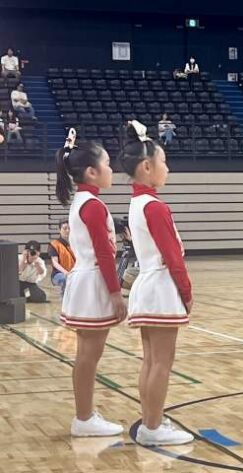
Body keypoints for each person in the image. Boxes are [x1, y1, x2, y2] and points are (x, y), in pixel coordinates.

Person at [119, 120, 194, 446]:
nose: (168, 168)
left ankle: (151, 421)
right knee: (162, 362)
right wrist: (186, 292)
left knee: (150, 360)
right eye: (164, 161)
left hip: (146, 285)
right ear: (147, 167)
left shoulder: (137, 203)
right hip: (160, 287)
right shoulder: (155, 207)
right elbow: (173, 258)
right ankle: (152, 427)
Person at [54, 128, 127, 437]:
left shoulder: (83, 201)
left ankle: (84, 415)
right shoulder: (93, 205)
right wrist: (116, 293)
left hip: (85, 279)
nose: (111, 169)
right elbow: (104, 254)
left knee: (86, 354)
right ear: (91, 172)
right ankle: (84, 418)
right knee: (88, 355)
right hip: (93, 281)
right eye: (107, 164)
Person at [49, 219, 76, 294]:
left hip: (75, 273)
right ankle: (64, 299)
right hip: (59, 274)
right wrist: (66, 273)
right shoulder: (54, 244)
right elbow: (55, 263)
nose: (67, 230)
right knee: (65, 279)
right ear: (59, 230)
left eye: (69, 228)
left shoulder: (75, 244)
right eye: (65, 228)